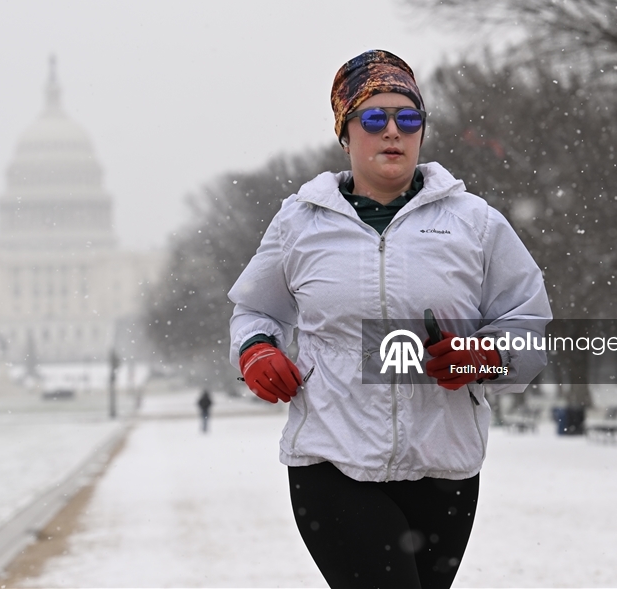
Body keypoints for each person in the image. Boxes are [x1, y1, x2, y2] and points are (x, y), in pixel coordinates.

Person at [228, 49, 551, 588]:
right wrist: (256, 348)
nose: (393, 132)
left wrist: (486, 355)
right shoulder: (301, 223)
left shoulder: (476, 223)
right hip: (332, 461)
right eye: (374, 119)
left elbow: (529, 324)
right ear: (345, 132)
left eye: (409, 118)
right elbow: (255, 309)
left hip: (444, 465)